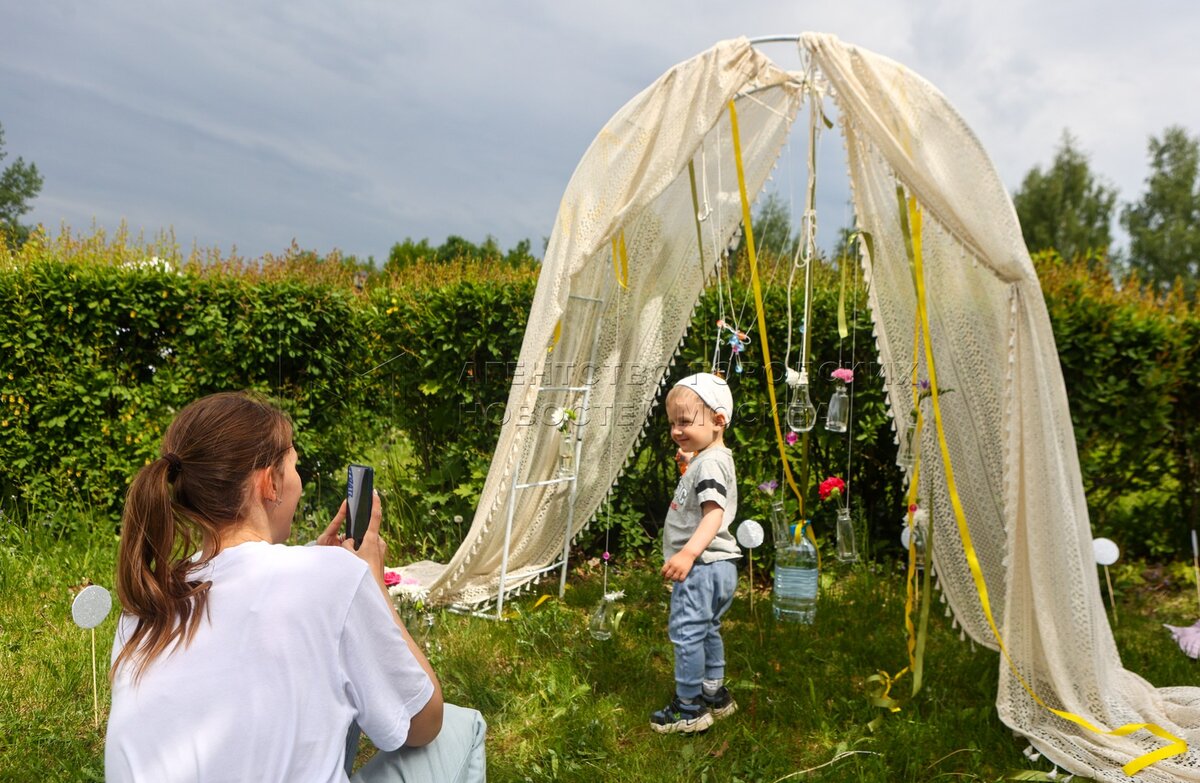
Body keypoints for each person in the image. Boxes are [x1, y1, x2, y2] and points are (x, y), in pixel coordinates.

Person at [105, 391, 486, 782]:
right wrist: (372, 583)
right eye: (294, 465)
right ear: (270, 483)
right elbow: (424, 723)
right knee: (464, 727)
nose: (298, 481)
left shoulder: (143, 607)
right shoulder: (333, 578)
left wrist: (324, 566)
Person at [651, 373, 741, 734]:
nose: (676, 430)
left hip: (702, 566)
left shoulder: (709, 463)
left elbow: (713, 514)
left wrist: (687, 554)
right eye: (673, 423)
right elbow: (703, 491)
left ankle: (688, 708)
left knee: (687, 632)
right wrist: (688, 466)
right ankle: (714, 694)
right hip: (721, 566)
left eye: (685, 422)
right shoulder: (713, 459)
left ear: (718, 420)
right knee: (707, 629)